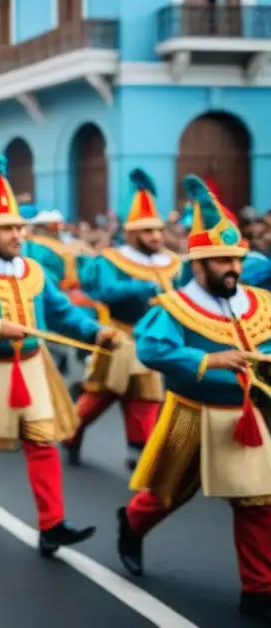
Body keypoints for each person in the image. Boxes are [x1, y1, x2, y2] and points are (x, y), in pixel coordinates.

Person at [0, 151, 118, 556]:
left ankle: (51, 525)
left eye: (19, 227)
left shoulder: (33, 270)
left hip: (33, 366)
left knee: (42, 441)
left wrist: (94, 331)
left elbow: (61, 312)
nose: (18, 234)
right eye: (8, 228)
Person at [118, 175, 271, 623]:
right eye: (222, 259)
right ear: (199, 263)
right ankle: (131, 525)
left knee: (257, 499)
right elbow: (151, 349)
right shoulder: (174, 306)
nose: (232, 268)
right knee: (166, 493)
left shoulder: (260, 302)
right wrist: (207, 360)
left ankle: (259, 591)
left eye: (236, 258)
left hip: (243, 416)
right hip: (189, 412)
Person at [65, 168, 186, 470]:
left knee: (146, 396)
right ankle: (71, 434)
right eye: (147, 231)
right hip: (119, 337)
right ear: (132, 233)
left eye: (157, 230)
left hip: (153, 339)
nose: (155, 237)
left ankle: (137, 451)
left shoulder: (171, 262)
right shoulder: (112, 259)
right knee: (101, 395)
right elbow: (103, 290)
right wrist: (139, 286)